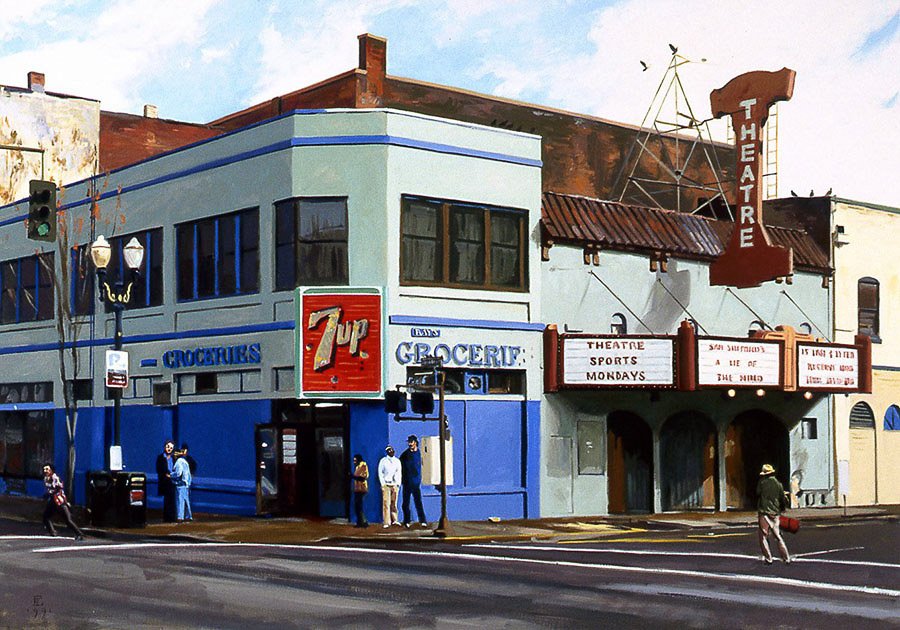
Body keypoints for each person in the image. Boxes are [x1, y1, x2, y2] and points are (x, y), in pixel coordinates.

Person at [757, 463, 790, 565]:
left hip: (764, 511)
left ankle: (768, 558)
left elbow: (758, 493)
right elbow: (782, 498)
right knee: (778, 536)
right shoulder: (778, 484)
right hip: (775, 512)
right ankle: (786, 557)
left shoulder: (762, 483)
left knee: (763, 536)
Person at [42, 464, 84, 540]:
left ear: (51, 470)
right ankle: (52, 532)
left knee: (68, 520)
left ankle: (79, 534)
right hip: (52, 501)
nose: (45, 471)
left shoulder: (55, 478)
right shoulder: (45, 478)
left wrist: (51, 493)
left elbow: (59, 488)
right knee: (46, 517)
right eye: (44, 469)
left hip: (59, 501)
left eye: (47, 469)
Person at [400, 434, 427, 527]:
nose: (410, 444)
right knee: (405, 503)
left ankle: (422, 520)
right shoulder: (405, 455)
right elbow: (401, 468)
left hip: (415, 482)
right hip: (407, 482)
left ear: (415, 443)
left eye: (411, 442)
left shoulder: (419, 453)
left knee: (418, 502)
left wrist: (419, 479)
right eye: (409, 442)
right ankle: (407, 521)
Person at [378, 445, 402, 528]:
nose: (391, 451)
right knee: (386, 503)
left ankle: (395, 520)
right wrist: (383, 484)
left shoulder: (397, 461)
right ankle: (387, 522)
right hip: (386, 484)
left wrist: (398, 484)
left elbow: (399, 472)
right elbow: (380, 473)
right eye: (389, 450)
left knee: (394, 503)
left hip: (394, 485)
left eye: (392, 450)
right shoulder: (383, 461)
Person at [155, 440, 177, 522]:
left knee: (172, 499)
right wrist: (166, 474)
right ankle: (167, 518)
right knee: (167, 500)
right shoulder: (160, 458)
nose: (169, 449)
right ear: (165, 447)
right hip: (165, 481)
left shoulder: (173, 458)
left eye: (171, 448)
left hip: (172, 481)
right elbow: (159, 469)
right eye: (168, 447)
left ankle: (172, 517)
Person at [170, 449, 193, 523]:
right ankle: (188, 516)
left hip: (180, 484)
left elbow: (178, 473)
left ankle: (180, 517)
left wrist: (170, 475)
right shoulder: (185, 462)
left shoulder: (178, 462)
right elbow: (189, 475)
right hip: (186, 484)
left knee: (180, 501)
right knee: (186, 501)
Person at [351, 454, 369, 528]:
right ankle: (360, 522)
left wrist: (353, 476)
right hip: (357, 488)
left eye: (355, 460)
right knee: (357, 506)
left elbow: (363, 477)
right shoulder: (358, 466)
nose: (354, 462)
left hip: (362, 488)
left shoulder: (363, 466)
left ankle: (363, 522)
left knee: (359, 506)